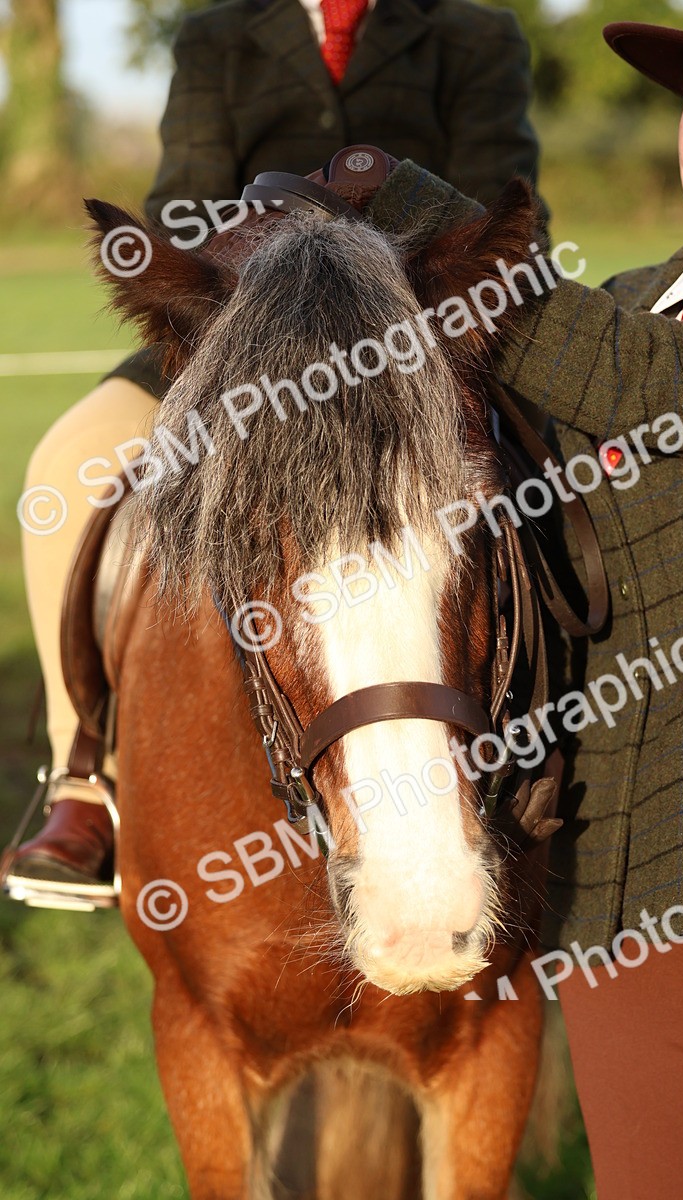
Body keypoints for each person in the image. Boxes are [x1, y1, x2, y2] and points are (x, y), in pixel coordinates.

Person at [346, 1, 683, 1196]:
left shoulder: (615, 346)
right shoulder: (622, 306)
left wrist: (408, 205)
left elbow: (648, 379)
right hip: (612, 913)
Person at [5, 0, 543, 893]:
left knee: (569, 470)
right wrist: (280, 268)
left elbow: (508, 200)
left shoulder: (475, 32)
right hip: (240, 322)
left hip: (422, 327)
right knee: (68, 457)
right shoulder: (216, 35)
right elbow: (183, 202)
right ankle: (83, 778)